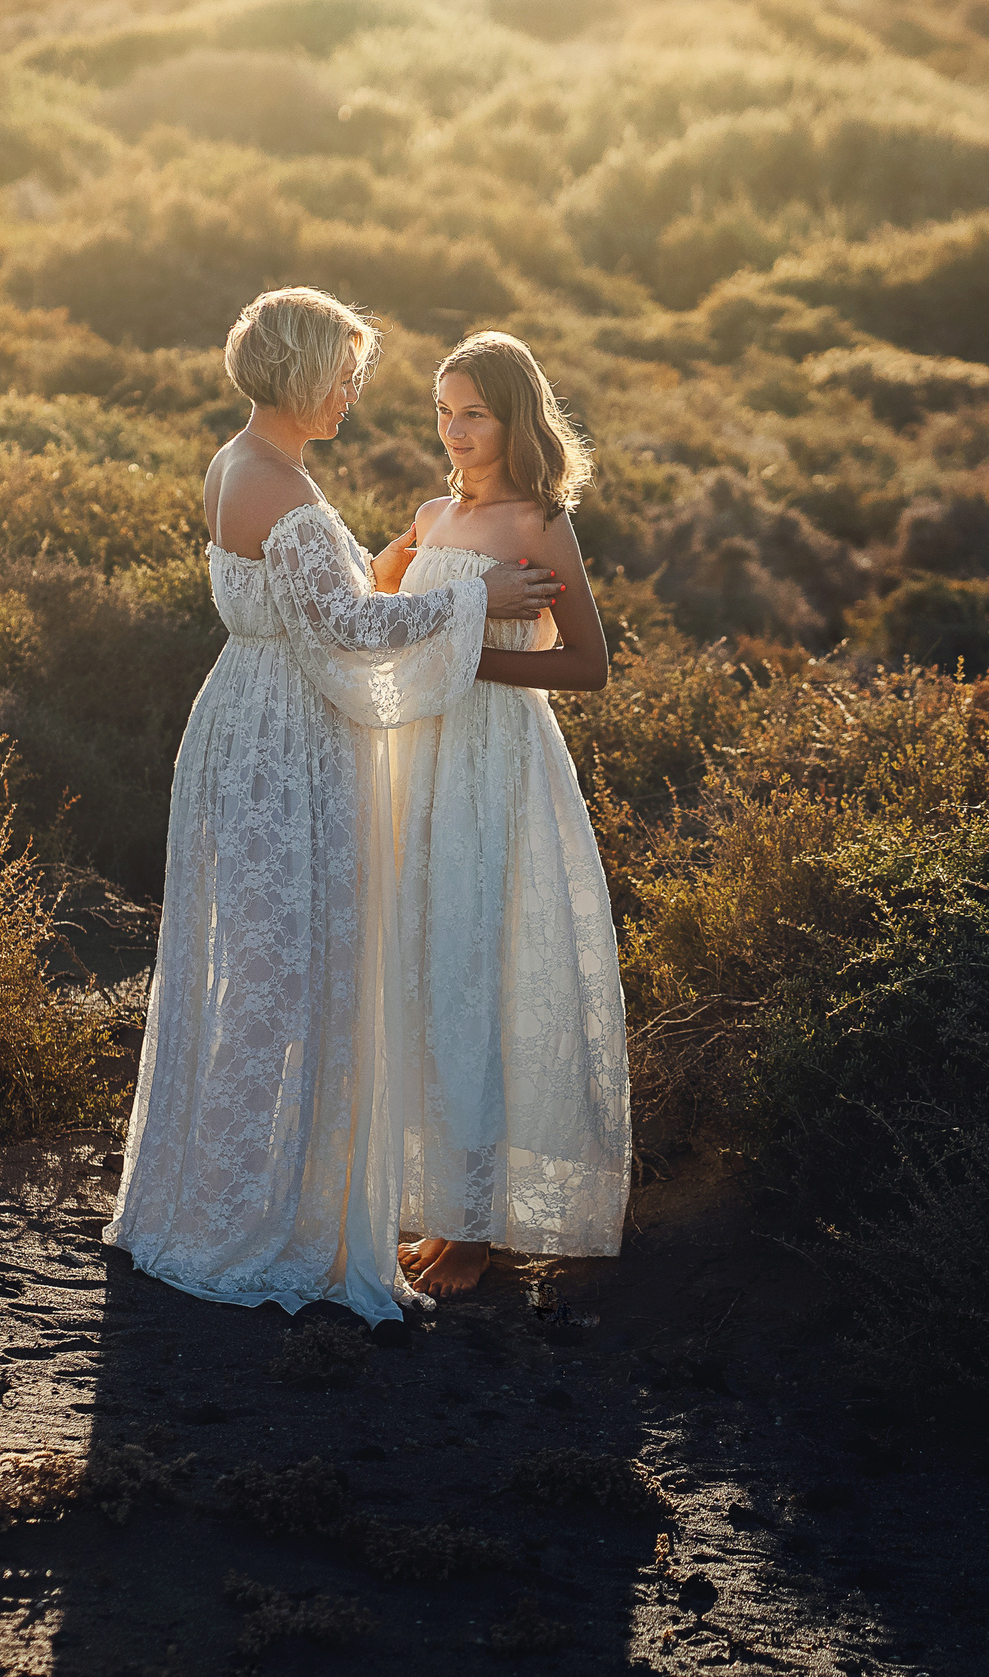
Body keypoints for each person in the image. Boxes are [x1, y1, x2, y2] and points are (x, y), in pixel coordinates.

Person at [105, 289, 560, 1325]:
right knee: (292, 976)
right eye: (347, 373)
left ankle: (213, 1195)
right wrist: (471, 599)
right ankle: (257, 1219)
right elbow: (349, 628)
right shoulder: (286, 491)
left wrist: (391, 562)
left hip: (241, 721)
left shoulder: (238, 463)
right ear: (307, 372)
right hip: (285, 745)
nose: (355, 393)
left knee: (255, 975)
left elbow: (315, 599)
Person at [375, 330, 631, 1299]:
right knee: (428, 967)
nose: (455, 428)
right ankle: (444, 1211)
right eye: (443, 409)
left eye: (472, 410)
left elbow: (586, 666)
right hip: (421, 761)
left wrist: (472, 659)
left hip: (496, 760)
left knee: (479, 970)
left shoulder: (539, 521)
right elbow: (383, 607)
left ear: (514, 416)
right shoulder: (433, 513)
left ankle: (478, 1232)